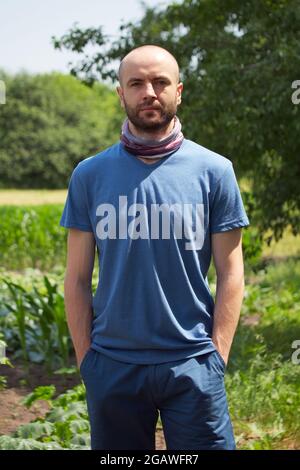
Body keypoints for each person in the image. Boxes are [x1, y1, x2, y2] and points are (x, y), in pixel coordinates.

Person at [60, 44, 250, 450]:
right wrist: (87, 360)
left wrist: (217, 357)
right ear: (121, 94)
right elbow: (76, 277)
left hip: (193, 364)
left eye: (160, 82)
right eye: (137, 83)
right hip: (113, 365)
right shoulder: (89, 175)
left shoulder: (215, 171)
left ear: (178, 91)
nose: (149, 91)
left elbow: (232, 271)